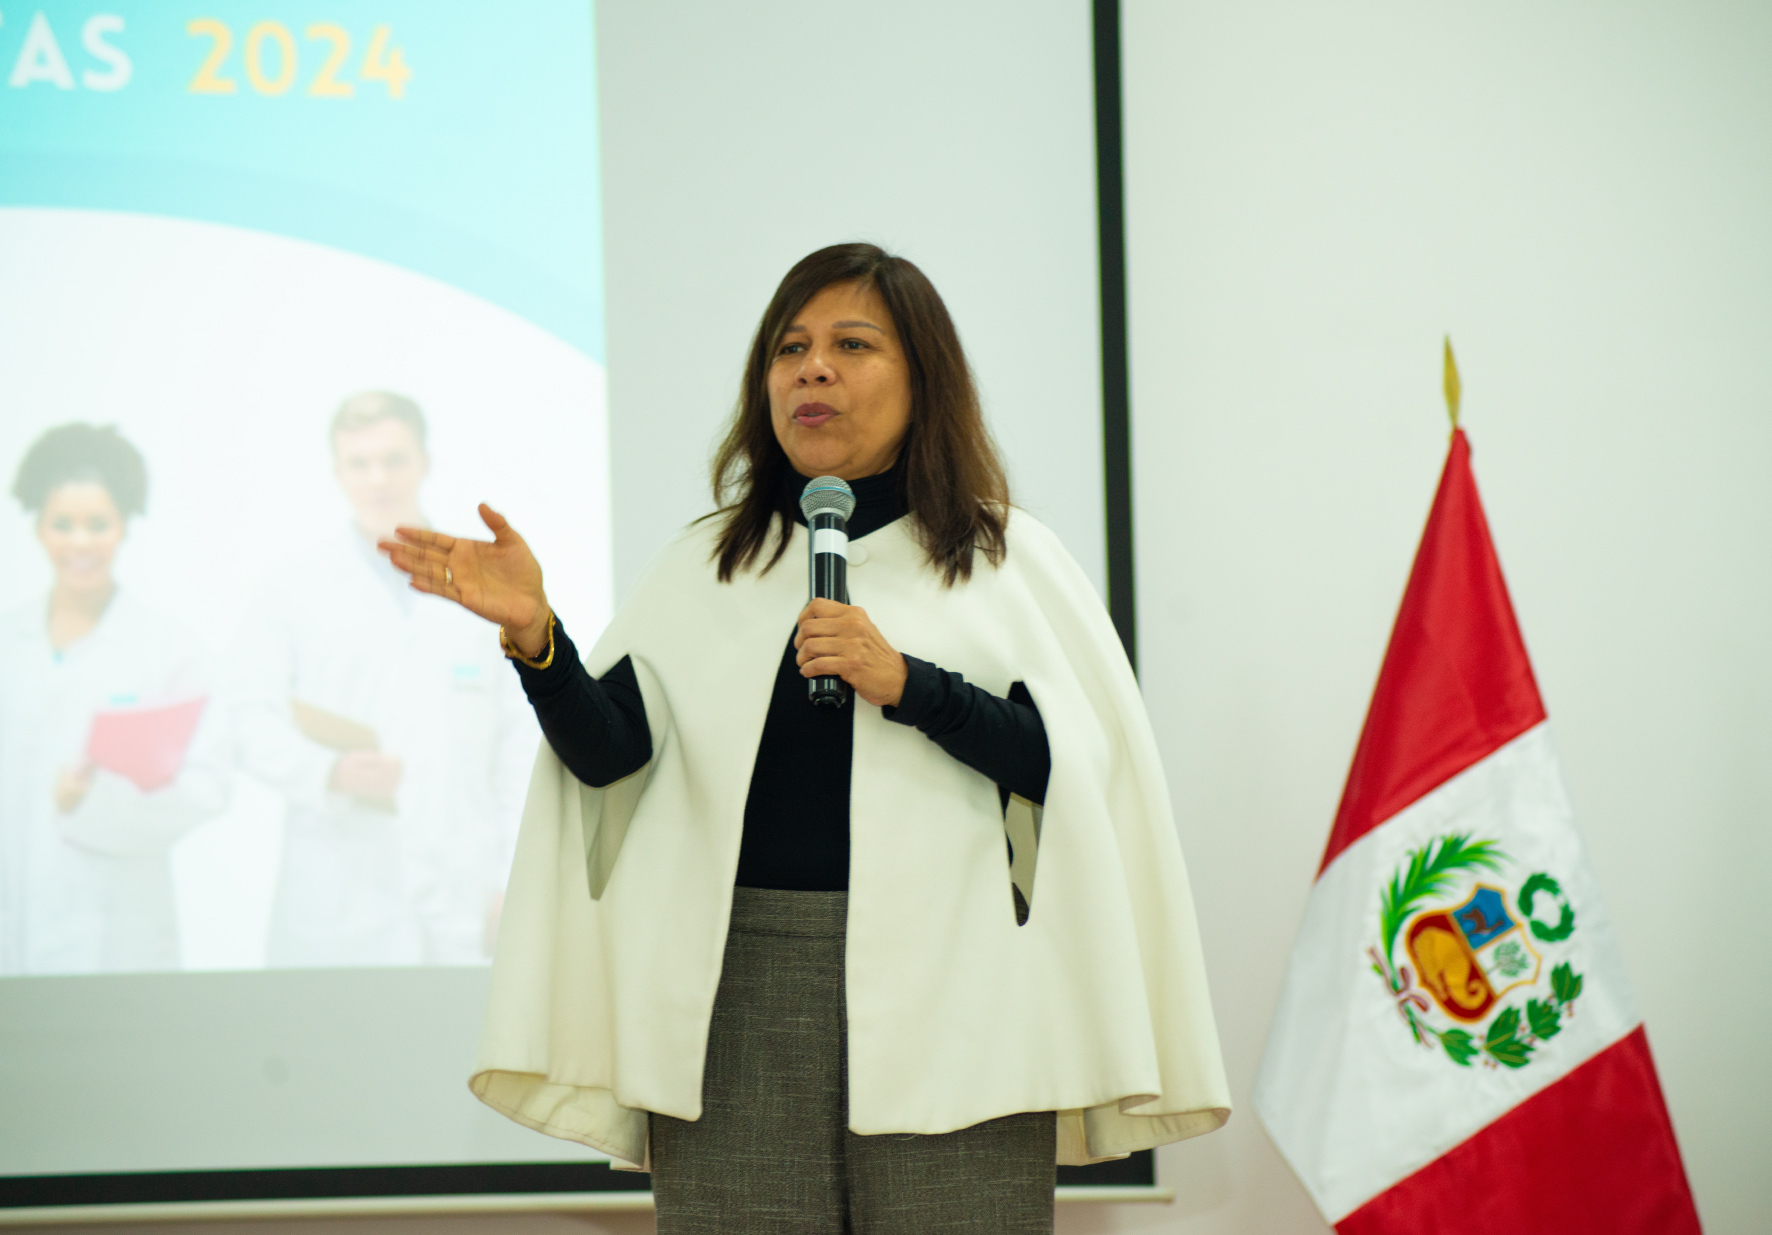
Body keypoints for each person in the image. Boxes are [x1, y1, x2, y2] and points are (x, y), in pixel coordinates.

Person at [388, 245, 1230, 1233]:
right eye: (789, 347)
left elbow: (1070, 769)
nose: (811, 368)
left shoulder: (1005, 559)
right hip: (740, 991)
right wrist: (538, 638)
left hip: (963, 994)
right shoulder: (711, 561)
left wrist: (908, 683)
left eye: (851, 344)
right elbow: (612, 756)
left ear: (923, 379)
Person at [231, 392, 536, 967]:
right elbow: (246, 717)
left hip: (466, 894)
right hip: (338, 893)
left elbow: (521, 745)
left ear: (423, 461)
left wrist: (512, 874)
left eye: (394, 460)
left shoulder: (480, 581)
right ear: (337, 473)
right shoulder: (290, 589)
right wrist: (329, 773)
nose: (378, 478)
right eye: (360, 463)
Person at [0, 423, 227, 975]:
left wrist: (92, 805)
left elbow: (207, 788)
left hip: (117, 932)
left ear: (124, 527)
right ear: (38, 529)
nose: (80, 542)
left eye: (97, 524)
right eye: (62, 525)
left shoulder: (169, 647)